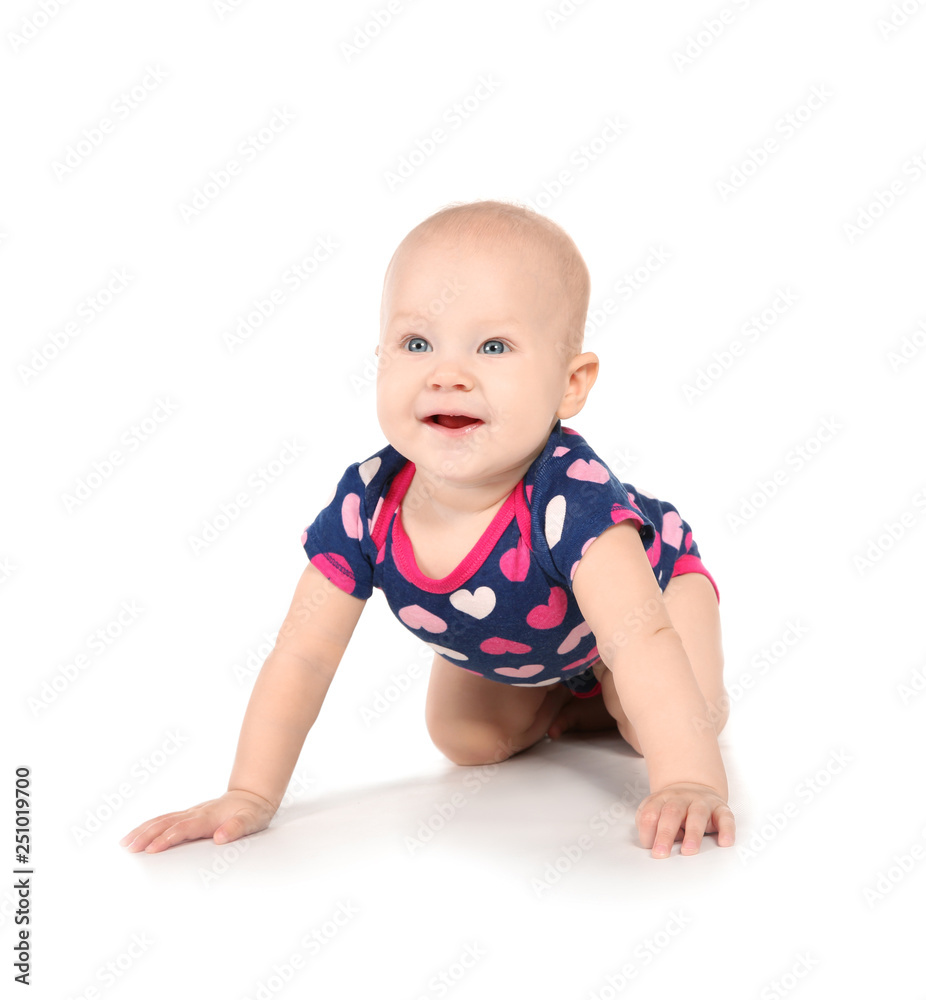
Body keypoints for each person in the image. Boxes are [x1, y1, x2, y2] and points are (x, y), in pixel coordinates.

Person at [121, 199, 735, 860]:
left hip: (655, 597)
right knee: (467, 741)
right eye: (417, 343)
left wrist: (687, 778)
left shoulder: (571, 498)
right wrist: (247, 794)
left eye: (493, 346)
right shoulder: (369, 502)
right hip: (527, 642)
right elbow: (302, 655)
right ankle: (579, 690)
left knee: (662, 719)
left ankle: (620, 697)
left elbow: (640, 639)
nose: (447, 373)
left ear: (569, 384)